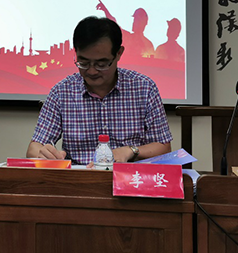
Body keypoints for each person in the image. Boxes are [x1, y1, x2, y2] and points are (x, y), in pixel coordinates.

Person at [26, 16, 172, 165]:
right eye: (83, 62)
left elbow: (163, 147)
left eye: (101, 64)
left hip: (128, 175)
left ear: (119, 53)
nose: (92, 71)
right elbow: (34, 148)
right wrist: (43, 154)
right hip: (79, 176)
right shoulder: (62, 92)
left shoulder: (144, 88)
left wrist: (130, 151)